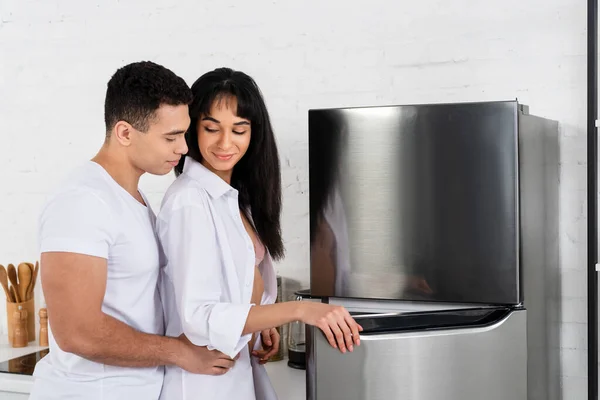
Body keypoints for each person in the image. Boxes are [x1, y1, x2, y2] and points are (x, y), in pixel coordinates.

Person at [30, 61, 237, 400]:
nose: (184, 148)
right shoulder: (82, 202)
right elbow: (76, 333)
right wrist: (181, 353)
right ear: (125, 133)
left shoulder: (132, 198)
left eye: (183, 134)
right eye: (171, 137)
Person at [157, 67, 363, 400]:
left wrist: (263, 321)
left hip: (237, 367)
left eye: (239, 130)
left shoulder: (237, 199)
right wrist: (298, 310)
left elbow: (240, 283)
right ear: (193, 129)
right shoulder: (188, 201)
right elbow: (197, 315)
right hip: (201, 383)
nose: (226, 143)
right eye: (212, 128)